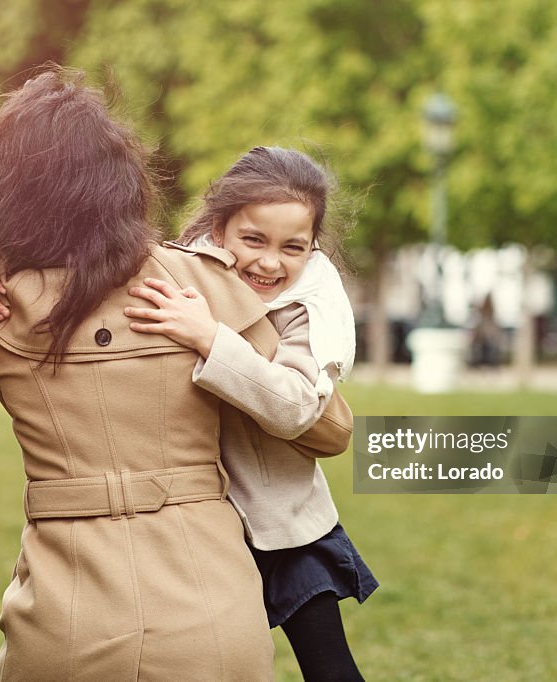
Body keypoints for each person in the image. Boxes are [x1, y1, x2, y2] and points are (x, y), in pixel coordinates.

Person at [0, 67, 347, 681]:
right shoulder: (204, 284)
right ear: (120, 178)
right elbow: (327, 428)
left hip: (60, 613)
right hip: (208, 604)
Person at [124, 147, 378, 682]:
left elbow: (293, 407)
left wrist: (210, 338)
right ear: (219, 228)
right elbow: (94, 273)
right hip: (196, 528)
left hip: (283, 528)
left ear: (313, 248)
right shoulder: (180, 279)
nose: (270, 262)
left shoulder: (306, 309)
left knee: (332, 671)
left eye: (293, 247)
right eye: (253, 240)